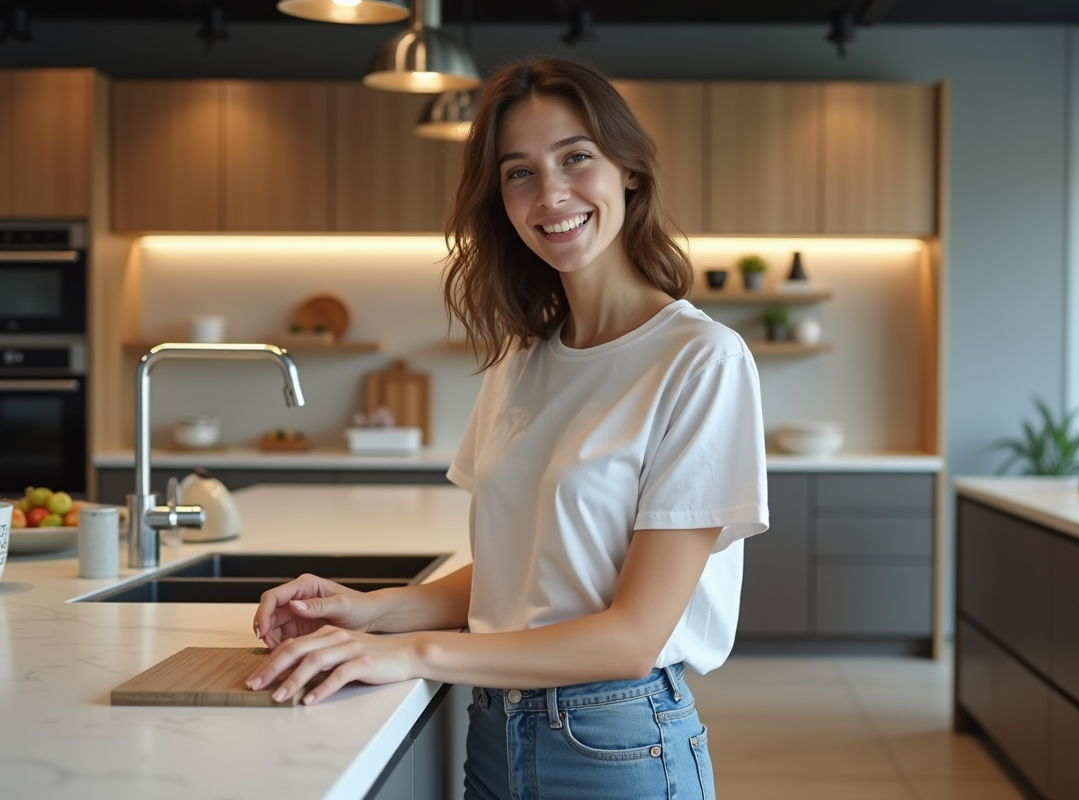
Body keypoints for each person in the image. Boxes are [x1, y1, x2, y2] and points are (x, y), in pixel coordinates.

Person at [245, 56, 768, 800]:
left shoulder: (700, 359)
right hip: (494, 732)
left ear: (629, 173)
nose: (550, 193)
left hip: (615, 744)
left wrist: (411, 654)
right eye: (519, 172)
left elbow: (631, 637)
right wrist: (367, 610)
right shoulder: (521, 359)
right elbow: (516, 576)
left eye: (576, 158)